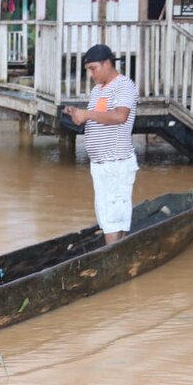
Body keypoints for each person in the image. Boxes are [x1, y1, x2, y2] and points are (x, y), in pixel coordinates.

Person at [63, 44, 139, 245]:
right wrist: (78, 116)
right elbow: (99, 117)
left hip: (116, 162)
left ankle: (112, 259)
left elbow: (120, 116)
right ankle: (117, 253)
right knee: (108, 216)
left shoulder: (124, 85)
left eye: (93, 68)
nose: (91, 74)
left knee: (113, 216)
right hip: (101, 164)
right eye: (88, 70)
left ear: (107, 64)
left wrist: (87, 114)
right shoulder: (98, 90)